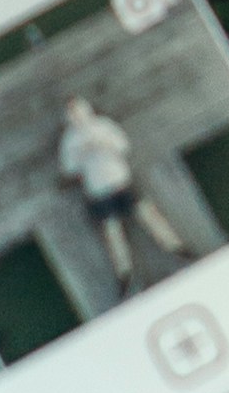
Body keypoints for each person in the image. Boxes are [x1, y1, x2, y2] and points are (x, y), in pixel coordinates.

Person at [55, 89, 185, 297]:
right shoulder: (70, 140)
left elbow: (123, 145)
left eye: (78, 110)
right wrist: (82, 154)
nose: (77, 116)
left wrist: (104, 144)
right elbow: (69, 168)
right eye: (72, 113)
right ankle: (125, 273)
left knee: (146, 213)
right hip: (98, 190)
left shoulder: (103, 126)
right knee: (112, 230)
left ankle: (175, 247)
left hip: (119, 181)